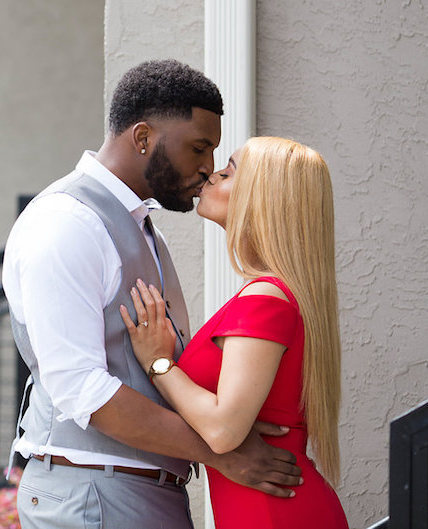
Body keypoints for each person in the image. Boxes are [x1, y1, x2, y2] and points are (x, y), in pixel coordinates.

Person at [3, 60, 302, 529]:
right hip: (94, 496)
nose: (207, 169)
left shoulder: (142, 232)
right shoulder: (65, 224)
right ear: (143, 138)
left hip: (139, 494)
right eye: (199, 149)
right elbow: (83, 389)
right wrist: (224, 451)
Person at [121, 136, 348, 528]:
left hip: (275, 514)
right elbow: (229, 421)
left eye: (228, 172)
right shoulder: (272, 294)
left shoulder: (265, 299)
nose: (210, 176)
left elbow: (223, 431)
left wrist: (158, 362)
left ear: (265, 199)